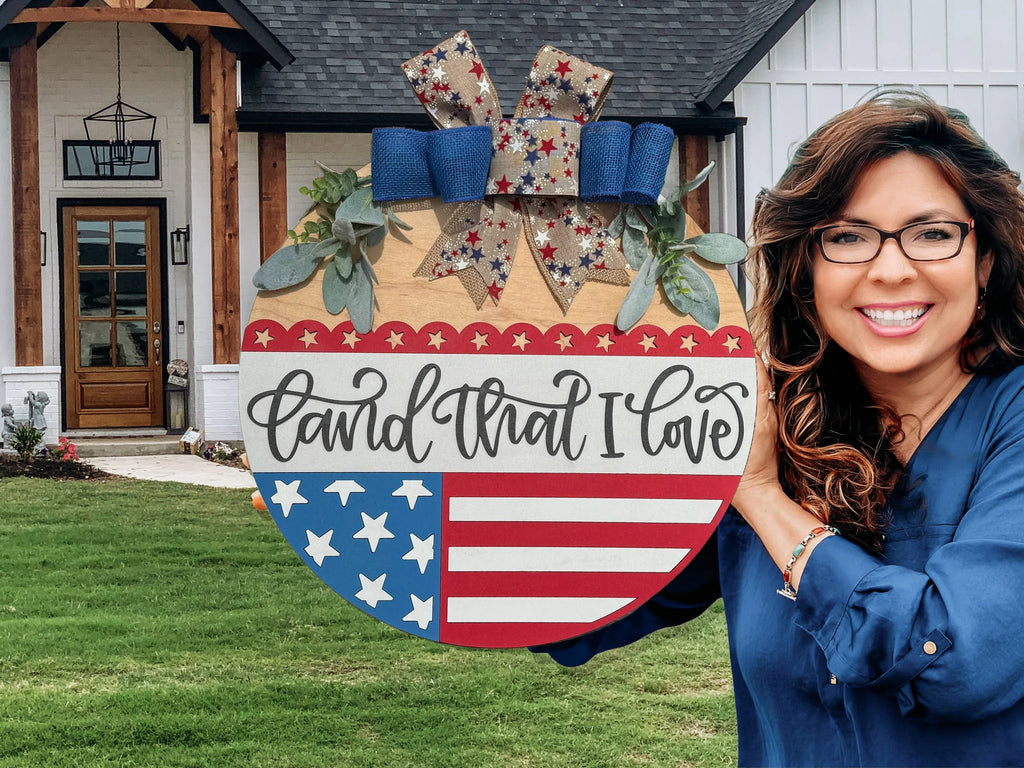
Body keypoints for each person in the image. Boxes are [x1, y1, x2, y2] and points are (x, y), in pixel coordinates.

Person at [533, 90, 1024, 767]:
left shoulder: (1011, 423)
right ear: (807, 268)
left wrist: (763, 498)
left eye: (933, 233)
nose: (889, 269)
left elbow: (958, 661)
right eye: (847, 237)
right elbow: (581, 604)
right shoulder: (770, 425)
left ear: (986, 259)